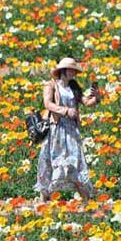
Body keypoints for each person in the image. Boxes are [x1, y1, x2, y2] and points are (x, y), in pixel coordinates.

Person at [35, 57, 101, 202]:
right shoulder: (51, 85)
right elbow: (47, 103)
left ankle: (86, 198)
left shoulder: (74, 87)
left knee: (75, 161)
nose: (72, 73)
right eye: (70, 70)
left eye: (74, 70)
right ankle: (43, 199)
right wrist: (66, 111)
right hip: (56, 129)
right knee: (50, 162)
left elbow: (86, 102)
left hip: (71, 130)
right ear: (62, 71)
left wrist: (96, 97)